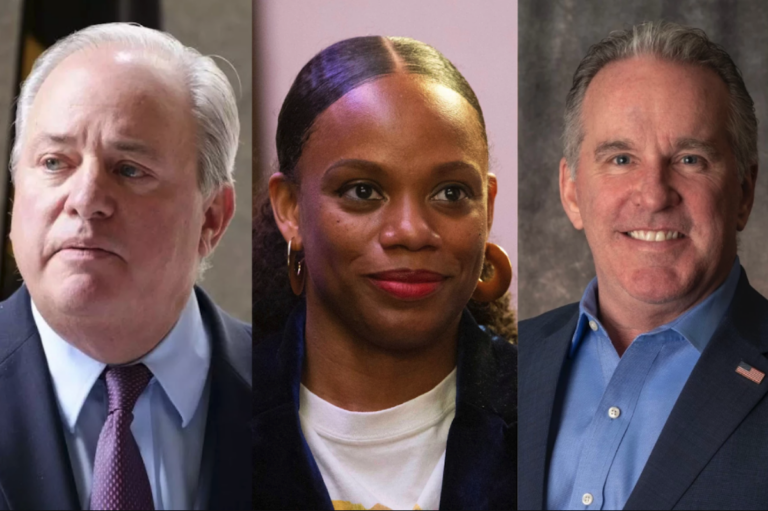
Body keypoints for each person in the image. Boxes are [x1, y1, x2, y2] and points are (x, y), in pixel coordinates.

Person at [252, 36, 516, 510]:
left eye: (451, 193)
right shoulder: (210, 421)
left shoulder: (556, 417)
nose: (411, 231)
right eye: (362, 191)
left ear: (488, 207)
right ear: (290, 209)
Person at [0, 23, 251, 510]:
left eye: (129, 169)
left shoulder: (293, 393)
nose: (86, 199)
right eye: (54, 162)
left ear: (212, 218)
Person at [518, 21, 764, 510]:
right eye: (621, 158)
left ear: (744, 193)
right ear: (571, 191)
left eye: (691, 159)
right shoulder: (506, 364)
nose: (654, 194)